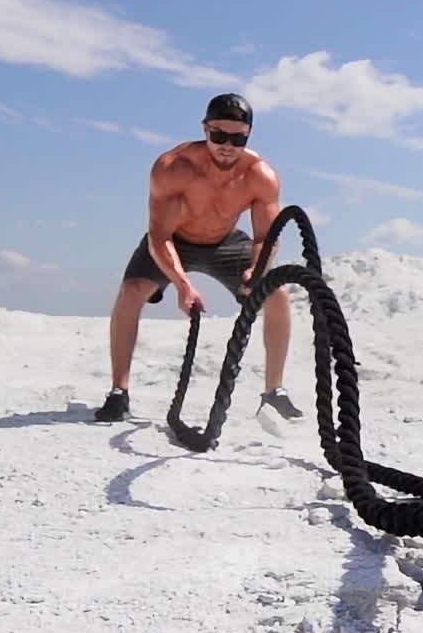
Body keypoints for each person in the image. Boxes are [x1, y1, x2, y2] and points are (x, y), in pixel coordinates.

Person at [93, 92, 302, 428]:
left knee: (276, 293)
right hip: (174, 240)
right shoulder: (173, 167)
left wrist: (256, 268)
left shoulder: (260, 175)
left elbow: (265, 237)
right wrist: (182, 284)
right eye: (219, 135)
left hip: (225, 242)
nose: (227, 145)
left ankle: (274, 392)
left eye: (237, 138)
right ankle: (119, 391)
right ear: (205, 129)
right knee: (131, 291)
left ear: (247, 135)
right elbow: (159, 237)